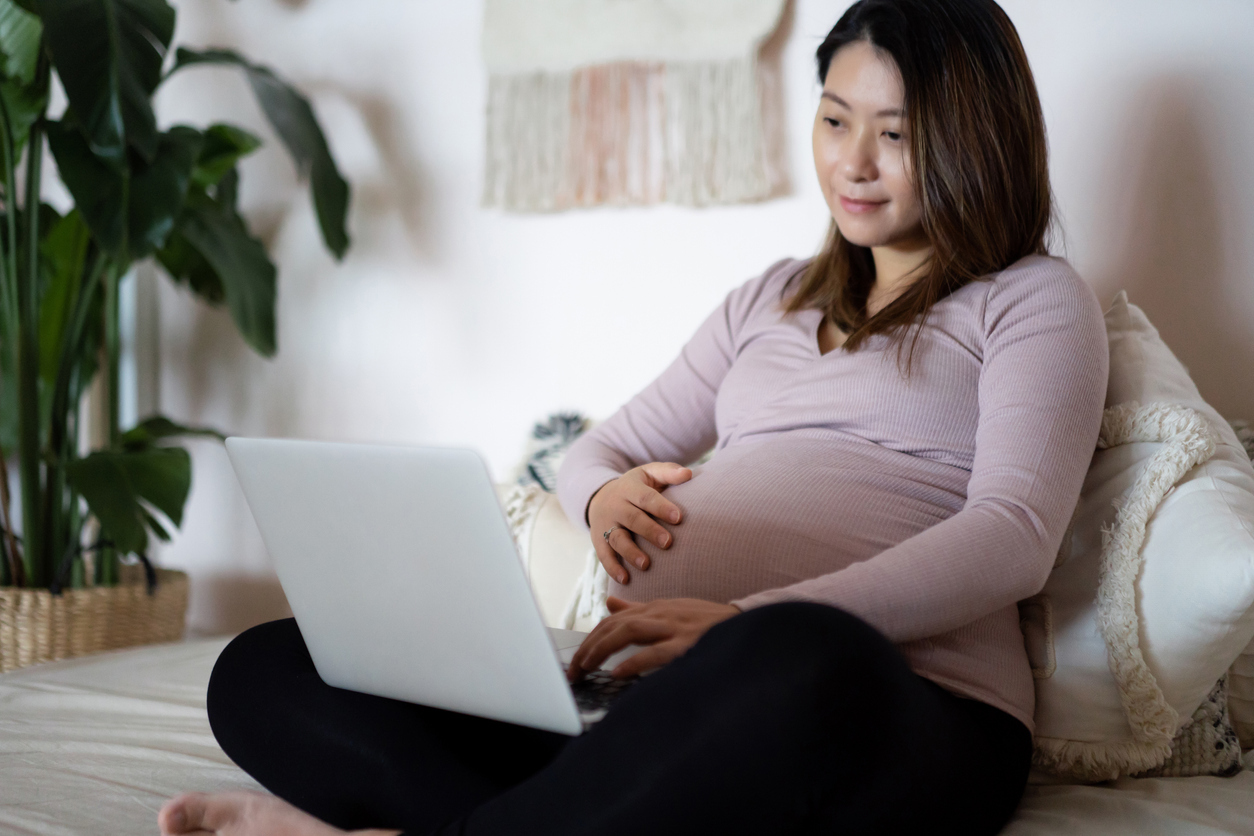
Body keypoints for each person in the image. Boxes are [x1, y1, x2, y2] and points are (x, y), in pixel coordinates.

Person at [158, 0, 1108, 834]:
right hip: (658, 705)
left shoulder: (1030, 301)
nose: (853, 162)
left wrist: (741, 623)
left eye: (895, 135)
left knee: (800, 656)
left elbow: (1013, 534)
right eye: (833, 119)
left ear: (971, 138)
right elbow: (600, 450)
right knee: (271, 665)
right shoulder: (769, 301)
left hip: (894, 709)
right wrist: (603, 490)